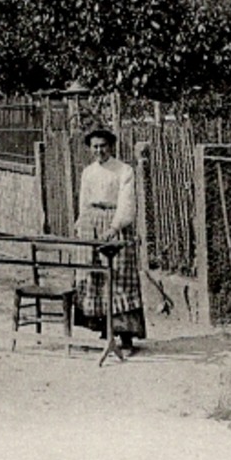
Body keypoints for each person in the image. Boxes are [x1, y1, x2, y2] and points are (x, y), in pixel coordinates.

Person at [72, 128, 146, 352]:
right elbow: (84, 200)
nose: (99, 150)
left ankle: (125, 337)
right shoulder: (88, 172)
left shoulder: (124, 170)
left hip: (114, 224)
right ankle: (104, 331)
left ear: (111, 146)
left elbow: (127, 201)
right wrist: (80, 223)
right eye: (95, 146)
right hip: (90, 223)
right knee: (93, 276)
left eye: (103, 146)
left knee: (119, 277)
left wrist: (116, 226)